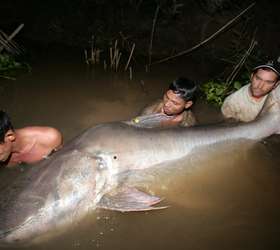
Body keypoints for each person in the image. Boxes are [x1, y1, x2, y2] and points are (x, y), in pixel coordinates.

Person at [221, 58, 280, 122]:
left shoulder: (277, 94)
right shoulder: (232, 103)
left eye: (268, 82)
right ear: (251, 76)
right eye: (258, 78)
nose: (260, 86)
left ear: (276, 84)